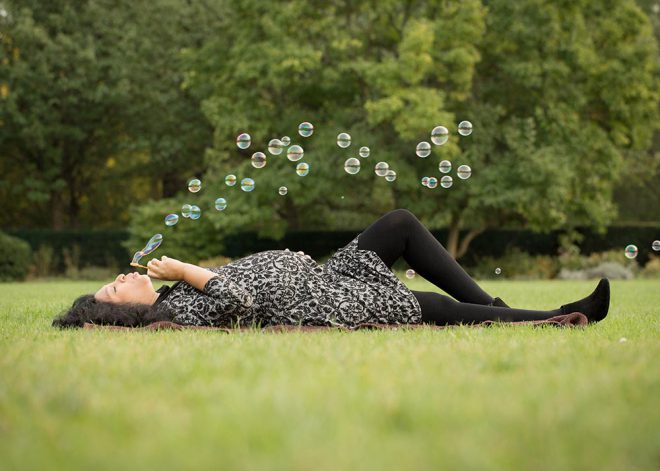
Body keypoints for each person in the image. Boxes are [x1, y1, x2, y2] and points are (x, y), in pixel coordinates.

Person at [52, 209, 610, 329]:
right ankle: (558, 316)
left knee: (400, 224)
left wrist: (288, 262)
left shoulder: (175, 300)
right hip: (333, 300)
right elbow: (241, 299)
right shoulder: (173, 315)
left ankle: (501, 311)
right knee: (433, 309)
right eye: (114, 287)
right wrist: (182, 266)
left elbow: (248, 279)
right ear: (116, 312)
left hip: (329, 274)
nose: (123, 277)